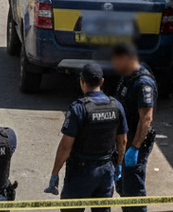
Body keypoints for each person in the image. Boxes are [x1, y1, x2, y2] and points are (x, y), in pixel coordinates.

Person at [45, 63, 127, 212]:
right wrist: (119, 166)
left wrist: (55, 173)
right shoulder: (116, 106)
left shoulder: (79, 109)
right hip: (106, 169)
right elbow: (122, 141)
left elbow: (65, 146)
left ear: (82, 81)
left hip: (81, 172)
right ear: (102, 81)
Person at [111, 43, 157, 212]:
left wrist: (135, 148)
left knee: (134, 190)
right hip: (124, 140)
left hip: (135, 144)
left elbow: (146, 118)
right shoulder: (128, 75)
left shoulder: (143, 83)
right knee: (123, 187)